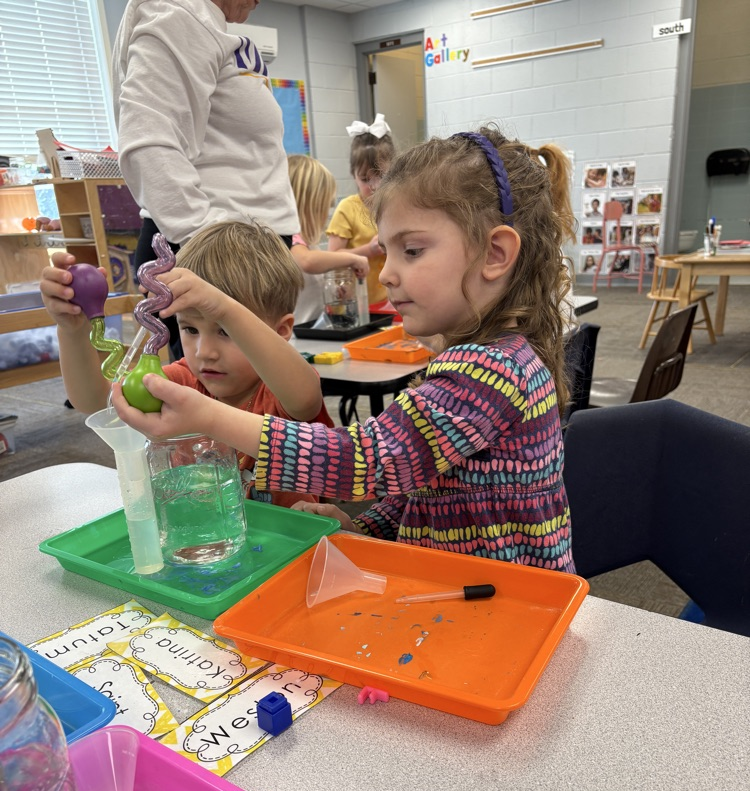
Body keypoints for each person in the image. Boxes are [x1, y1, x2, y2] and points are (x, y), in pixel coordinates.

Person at [112, 126, 577, 572]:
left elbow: (364, 461)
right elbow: (425, 486)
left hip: (507, 607)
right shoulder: (479, 360)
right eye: (388, 252)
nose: (388, 273)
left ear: (495, 254)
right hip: (465, 589)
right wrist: (364, 526)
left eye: (411, 251)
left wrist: (208, 417)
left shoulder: (491, 371)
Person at [40, 220, 333, 508]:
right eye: (190, 330)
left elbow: (305, 398)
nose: (205, 352)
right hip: (206, 546)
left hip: (293, 545)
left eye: (226, 331)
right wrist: (72, 330)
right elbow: (97, 402)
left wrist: (223, 307)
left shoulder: (279, 389)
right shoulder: (181, 382)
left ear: (280, 332)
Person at [111, 0, 299, 359]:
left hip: (236, 244)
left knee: (252, 401)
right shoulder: (178, 14)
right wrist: (210, 257)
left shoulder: (202, 23)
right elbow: (147, 143)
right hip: (219, 247)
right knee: (219, 397)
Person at [287, 154, 369, 324]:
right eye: (325, 206)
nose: (326, 215)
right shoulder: (289, 238)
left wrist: (336, 291)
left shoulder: (309, 245)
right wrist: (352, 259)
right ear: (310, 205)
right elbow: (307, 262)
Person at [326, 114, 395, 308]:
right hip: (358, 304)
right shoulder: (347, 209)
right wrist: (368, 251)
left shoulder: (395, 207)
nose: (374, 186)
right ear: (353, 176)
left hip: (390, 301)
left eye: (381, 176)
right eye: (365, 179)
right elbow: (331, 259)